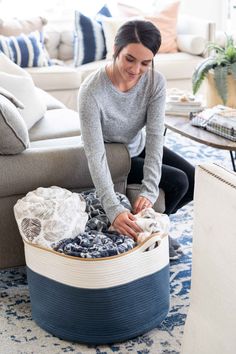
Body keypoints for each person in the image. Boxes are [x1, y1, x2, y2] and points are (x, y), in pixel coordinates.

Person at [78, 20, 195, 259]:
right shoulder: (91, 91)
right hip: (111, 156)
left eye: (145, 62)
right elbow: (95, 155)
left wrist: (149, 191)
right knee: (178, 181)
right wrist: (113, 210)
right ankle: (141, 231)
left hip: (136, 145)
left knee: (194, 179)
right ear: (116, 50)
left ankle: (150, 226)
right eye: (129, 59)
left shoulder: (155, 82)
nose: (136, 69)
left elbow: (154, 138)